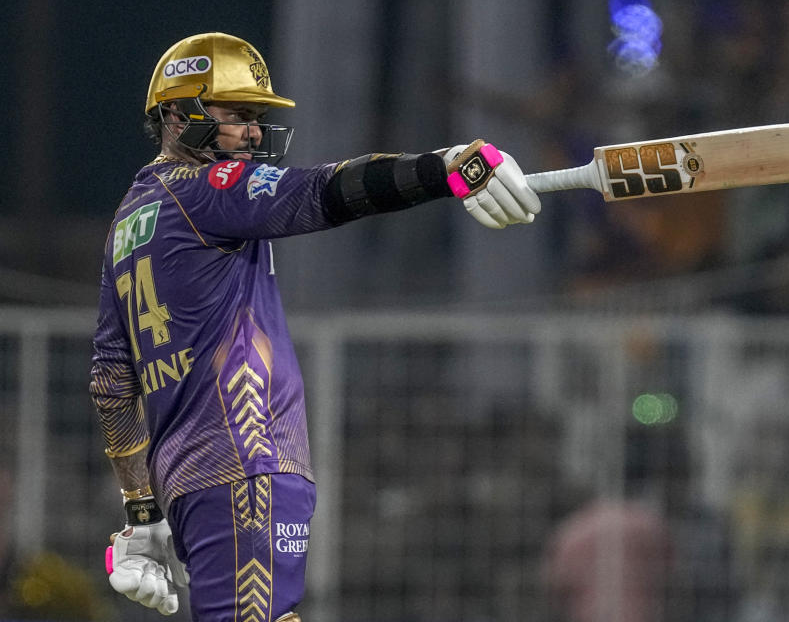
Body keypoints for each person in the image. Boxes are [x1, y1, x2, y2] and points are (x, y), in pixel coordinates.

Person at [89, 32, 541, 622]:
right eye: (238, 115)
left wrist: (143, 513)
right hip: (248, 468)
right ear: (178, 113)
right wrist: (450, 167)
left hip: (191, 483)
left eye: (257, 118)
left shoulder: (127, 219)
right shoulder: (209, 191)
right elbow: (328, 191)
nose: (252, 133)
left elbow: (110, 382)